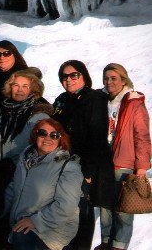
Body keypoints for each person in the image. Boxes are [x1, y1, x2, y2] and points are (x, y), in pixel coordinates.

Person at [53, 60, 117, 250]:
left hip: (86, 167)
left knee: (82, 212)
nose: (69, 80)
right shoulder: (62, 100)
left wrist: (88, 172)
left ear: (84, 76)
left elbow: (96, 138)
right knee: (65, 210)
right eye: (64, 77)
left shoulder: (94, 99)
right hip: (63, 165)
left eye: (74, 75)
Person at [4, 119, 83, 250]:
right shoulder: (25, 159)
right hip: (21, 222)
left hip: (52, 230)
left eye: (54, 135)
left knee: (21, 237)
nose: (48, 138)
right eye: (43, 133)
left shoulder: (68, 166)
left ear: (60, 139)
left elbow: (66, 206)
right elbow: (13, 188)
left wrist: (35, 221)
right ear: (35, 135)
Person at [97, 63, 151, 250]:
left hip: (125, 164)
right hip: (104, 164)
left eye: (113, 78)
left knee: (123, 211)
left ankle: (119, 246)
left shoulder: (134, 103)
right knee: (105, 209)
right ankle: (105, 243)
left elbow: (142, 136)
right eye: (106, 78)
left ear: (123, 80)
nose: (109, 81)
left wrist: (142, 166)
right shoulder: (101, 100)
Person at [0, 70, 53, 183]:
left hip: (23, 174)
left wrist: (15, 164)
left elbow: (42, 149)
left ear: (33, 89)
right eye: (16, 85)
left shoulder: (39, 117)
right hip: (0, 171)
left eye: (25, 86)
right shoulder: (4, 113)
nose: (20, 90)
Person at [0, 40, 28, 120]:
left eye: (7, 54)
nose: (2, 57)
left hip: (15, 121)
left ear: (15, 55)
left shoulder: (24, 76)